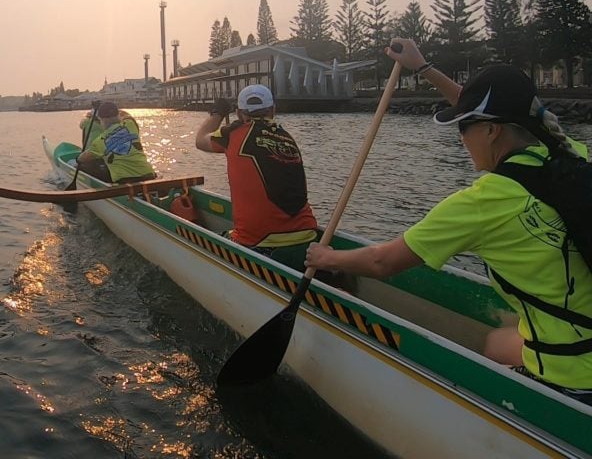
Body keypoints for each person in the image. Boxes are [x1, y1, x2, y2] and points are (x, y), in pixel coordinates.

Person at [305, 38, 592, 404]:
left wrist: (325, 258)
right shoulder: (566, 156)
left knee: (492, 351)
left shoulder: (485, 203)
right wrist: (423, 68)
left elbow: (382, 261)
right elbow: (498, 110)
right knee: (497, 341)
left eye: (463, 128)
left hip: (572, 379)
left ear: (492, 131)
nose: (460, 140)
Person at [194, 84, 318, 257]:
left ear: (238, 113)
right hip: (308, 238)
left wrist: (218, 112)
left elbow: (200, 140)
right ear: (273, 110)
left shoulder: (232, 134)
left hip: (260, 245)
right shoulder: (287, 138)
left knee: (201, 244)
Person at [77, 102, 157, 184]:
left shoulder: (100, 141)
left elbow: (82, 159)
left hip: (124, 181)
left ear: (102, 120)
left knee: (84, 166)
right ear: (118, 115)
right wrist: (113, 110)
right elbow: (126, 115)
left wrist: (78, 159)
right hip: (149, 175)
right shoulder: (130, 124)